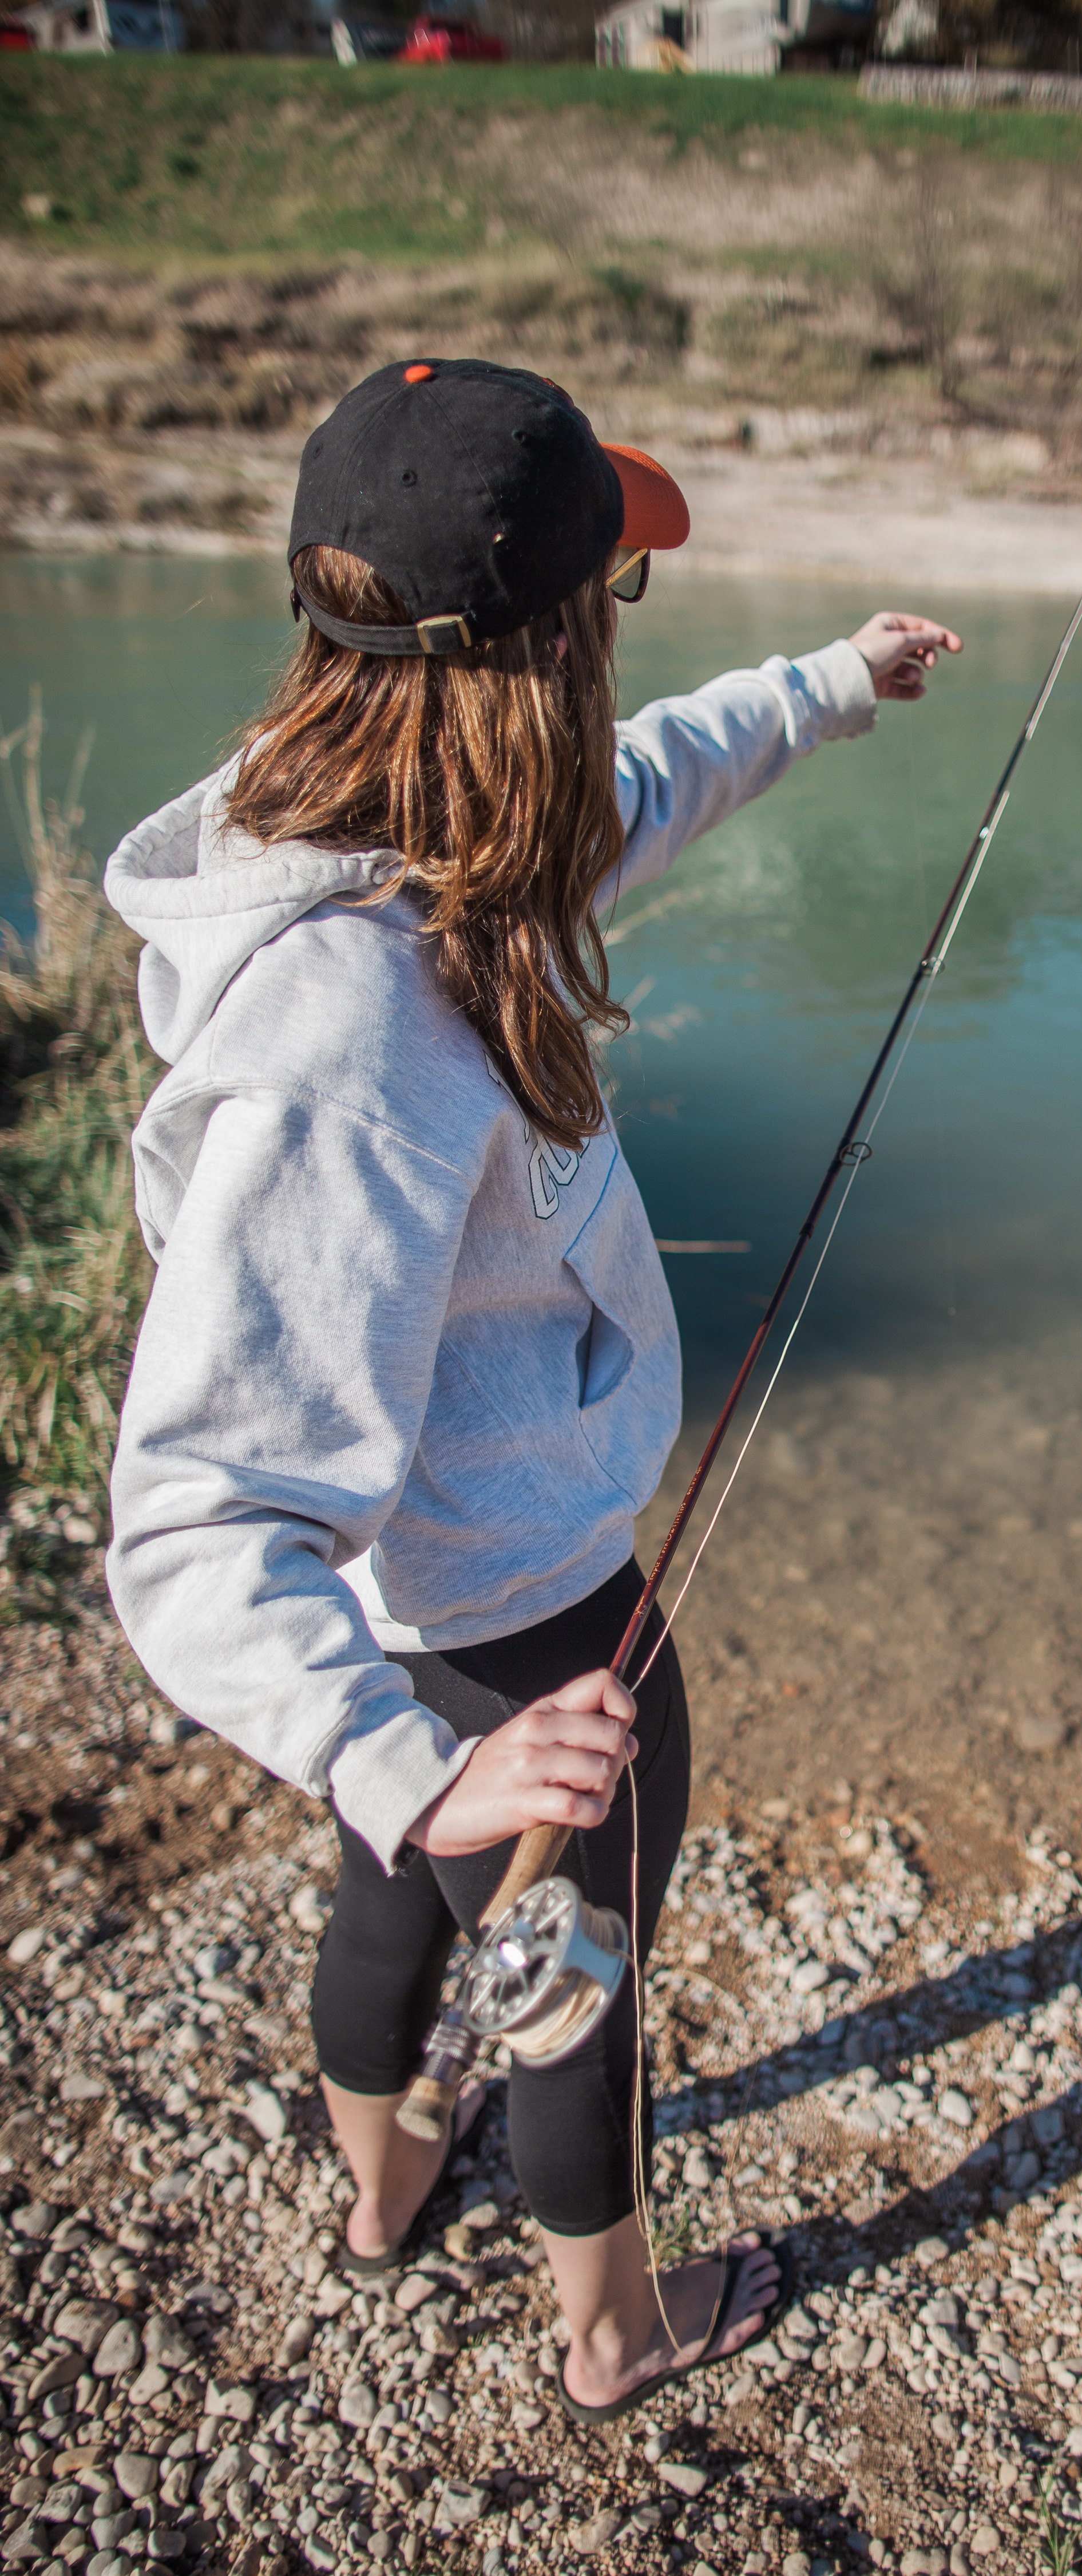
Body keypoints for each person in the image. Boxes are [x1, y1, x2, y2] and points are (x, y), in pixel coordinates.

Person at [102, 357, 961, 2420]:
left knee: (390, 1890)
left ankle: (383, 2194)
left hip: (417, 1614)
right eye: (613, 608)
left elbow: (637, 786)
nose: (619, 653)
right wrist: (421, 1757)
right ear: (549, 646)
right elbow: (199, 1516)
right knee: (574, 1981)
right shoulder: (353, 1037)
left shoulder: (411, 818)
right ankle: (610, 2326)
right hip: (526, 1618)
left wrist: (827, 683)